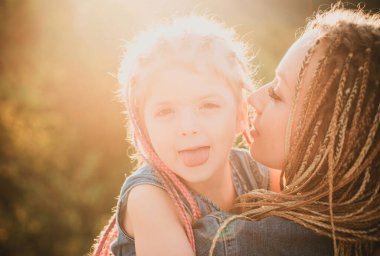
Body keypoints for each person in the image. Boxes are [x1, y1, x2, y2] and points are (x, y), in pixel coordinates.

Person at [193, 5, 380, 256]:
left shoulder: (244, 245)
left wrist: (146, 194)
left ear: (332, 135)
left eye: (276, 93)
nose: (254, 99)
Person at [91, 16, 273, 256]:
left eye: (208, 106)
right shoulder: (149, 198)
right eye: (165, 111)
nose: (188, 127)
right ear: (144, 128)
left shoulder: (259, 173)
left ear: (241, 115)